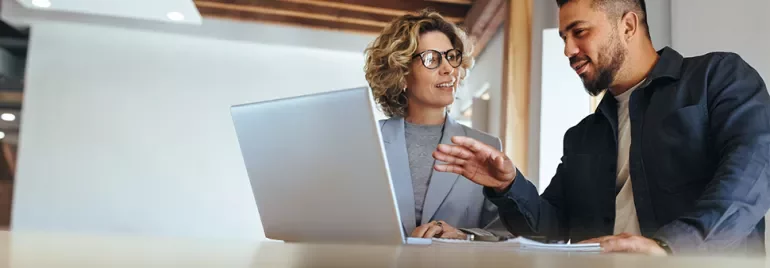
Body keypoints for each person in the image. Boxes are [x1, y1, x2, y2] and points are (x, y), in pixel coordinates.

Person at [432, 0, 770, 256]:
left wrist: (669, 247)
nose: (568, 50)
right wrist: (508, 185)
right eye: (564, 37)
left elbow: (754, 172)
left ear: (628, 25)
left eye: (579, 32)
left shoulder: (718, 78)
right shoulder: (582, 136)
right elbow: (551, 228)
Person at [364, 10, 502, 239]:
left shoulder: (486, 146)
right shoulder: (366, 141)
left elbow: (504, 231)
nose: (448, 68)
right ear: (402, 73)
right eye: (432, 59)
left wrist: (465, 236)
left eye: (451, 57)